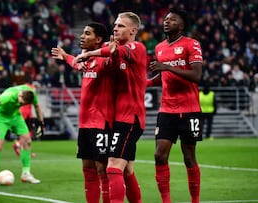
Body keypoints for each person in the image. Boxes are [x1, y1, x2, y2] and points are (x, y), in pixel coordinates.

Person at [75, 12, 147, 203]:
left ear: (133, 30)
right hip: (115, 119)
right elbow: (100, 48)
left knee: (113, 167)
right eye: (115, 25)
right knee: (127, 169)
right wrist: (82, 55)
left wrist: (88, 54)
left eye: (121, 26)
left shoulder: (136, 47)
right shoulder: (111, 46)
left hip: (131, 118)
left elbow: (111, 51)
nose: (115, 28)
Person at [51, 22, 113, 203]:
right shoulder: (87, 60)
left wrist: (102, 50)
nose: (81, 36)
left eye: (87, 33)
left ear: (98, 39)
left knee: (103, 169)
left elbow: (112, 52)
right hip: (85, 124)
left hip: (102, 122)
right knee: (88, 168)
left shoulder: (105, 59)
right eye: (83, 32)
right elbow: (76, 64)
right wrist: (66, 57)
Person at [146, 7, 203, 203]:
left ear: (182, 25)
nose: (166, 21)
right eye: (165, 19)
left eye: (172, 19)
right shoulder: (160, 47)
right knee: (159, 156)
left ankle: (195, 200)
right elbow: (162, 77)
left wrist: (167, 67)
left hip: (190, 110)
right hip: (167, 110)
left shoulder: (191, 44)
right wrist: (144, 82)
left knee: (189, 158)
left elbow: (196, 75)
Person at [0, 84, 44, 185]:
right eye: (21, 102)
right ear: (20, 95)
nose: (21, 104)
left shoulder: (32, 94)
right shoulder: (7, 96)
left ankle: (26, 173)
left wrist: (41, 123)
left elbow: (37, 107)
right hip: (0, 117)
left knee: (27, 140)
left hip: (15, 116)